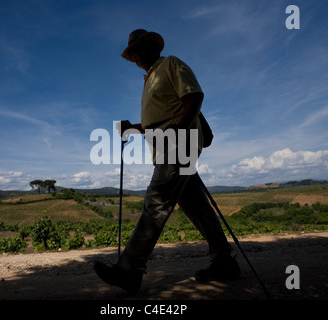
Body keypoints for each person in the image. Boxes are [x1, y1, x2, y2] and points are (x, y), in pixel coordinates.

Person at [94, 29, 240, 294]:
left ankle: (129, 270)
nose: (136, 55)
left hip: (177, 146)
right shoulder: (149, 79)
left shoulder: (171, 63)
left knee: (156, 201)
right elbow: (158, 122)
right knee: (197, 207)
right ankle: (224, 262)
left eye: (140, 48)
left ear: (153, 47)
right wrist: (134, 128)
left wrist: (179, 133)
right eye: (133, 52)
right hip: (169, 146)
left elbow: (194, 96)